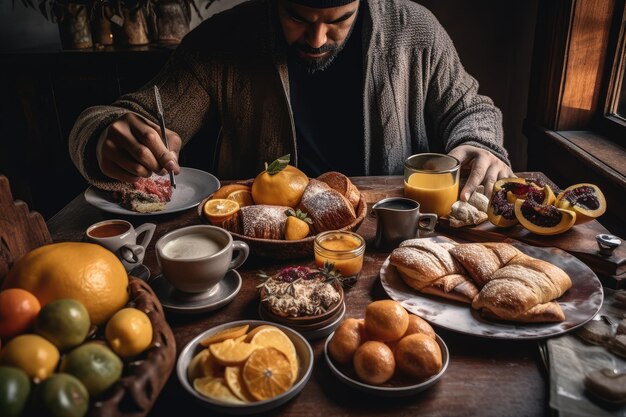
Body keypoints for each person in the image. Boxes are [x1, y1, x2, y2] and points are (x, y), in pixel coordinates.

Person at [69, 0, 514, 201]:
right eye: (297, 17)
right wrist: (105, 136)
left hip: (389, 240)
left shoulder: (417, 31)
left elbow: (470, 109)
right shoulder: (222, 40)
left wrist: (481, 143)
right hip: (265, 244)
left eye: (339, 20)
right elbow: (132, 114)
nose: (317, 39)